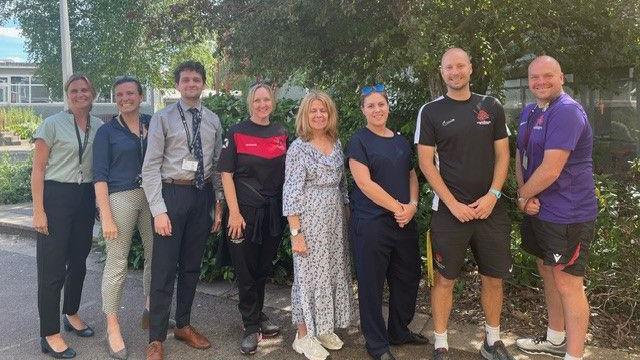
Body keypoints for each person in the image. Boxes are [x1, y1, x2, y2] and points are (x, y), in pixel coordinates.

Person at [415, 48, 513, 360]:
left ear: (470, 68)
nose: (455, 72)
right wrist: (452, 203)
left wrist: (493, 195)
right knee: (445, 279)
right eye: (448, 68)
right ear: (442, 72)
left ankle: (492, 342)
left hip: (490, 210)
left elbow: (503, 155)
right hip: (449, 213)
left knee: (493, 277)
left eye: (460, 66)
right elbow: (426, 164)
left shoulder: (491, 106)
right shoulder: (430, 112)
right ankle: (441, 343)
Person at [515, 56, 597, 360]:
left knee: (568, 282)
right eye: (534, 77)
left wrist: (522, 196)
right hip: (539, 211)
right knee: (547, 270)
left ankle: (573, 355)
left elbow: (551, 169)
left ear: (561, 77)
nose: (540, 82)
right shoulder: (529, 110)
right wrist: (525, 196)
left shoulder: (567, 111)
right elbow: (520, 157)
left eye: (547, 76)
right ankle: (555, 338)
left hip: (568, 214)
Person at [141, 61, 224, 360]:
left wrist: (218, 204)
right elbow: (150, 167)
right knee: (164, 269)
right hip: (171, 194)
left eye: (196, 79)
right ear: (177, 85)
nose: (191, 84)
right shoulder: (163, 119)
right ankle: (156, 338)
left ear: (203, 84)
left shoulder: (213, 120)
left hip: (201, 196)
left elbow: (216, 167)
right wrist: (158, 210)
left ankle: (184, 325)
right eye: (186, 80)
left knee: (191, 267)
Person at [346, 83, 427, 360]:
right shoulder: (359, 140)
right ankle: (377, 344)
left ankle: (398, 331)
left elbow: (412, 175)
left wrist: (412, 207)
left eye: (381, 104)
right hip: (371, 224)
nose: (377, 110)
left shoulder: (400, 140)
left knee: (407, 277)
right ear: (363, 111)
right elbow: (364, 183)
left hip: (404, 222)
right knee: (372, 284)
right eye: (370, 106)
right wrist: (398, 207)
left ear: (388, 107)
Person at [31, 74, 102, 359]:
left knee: (79, 263)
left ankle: (71, 313)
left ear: (93, 93)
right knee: (52, 269)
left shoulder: (98, 126)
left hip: (84, 197)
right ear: (67, 94)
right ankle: (49, 333)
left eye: (85, 89)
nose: (79, 94)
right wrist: (39, 210)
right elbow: (37, 170)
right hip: (56, 197)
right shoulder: (51, 124)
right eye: (74, 90)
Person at [283, 90, 354, 360]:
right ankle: (303, 336)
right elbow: (290, 192)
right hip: (308, 221)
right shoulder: (298, 148)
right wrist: (296, 232)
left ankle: (322, 327)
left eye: (323, 110)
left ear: (330, 114)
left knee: (332, 271)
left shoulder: (336, 143)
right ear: (305, 114)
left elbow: (343, 184)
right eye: (313, 110)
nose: (318, 115)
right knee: (307, 277)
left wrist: (345, 213)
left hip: (334, 219)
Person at [218, 83, 287, 355]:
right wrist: (233, 213)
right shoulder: (236, 132)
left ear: (272, 102)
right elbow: (226, 174)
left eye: (266, 100)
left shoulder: (282, 132)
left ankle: (257, 315)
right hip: (244, 213)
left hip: (272, 212)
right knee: (245, 271)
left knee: (261, 268)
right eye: (257, 100)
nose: (262, 104)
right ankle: (250, 326)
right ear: (250, 103)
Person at [93, 76, 154, 359]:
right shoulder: (107, 132)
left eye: (130, 93)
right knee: (117, 262)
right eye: (119, 94)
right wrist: (105, 215)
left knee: (156, 257)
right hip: (120, 198)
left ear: (140, 96)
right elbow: (99, 176)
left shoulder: (151, 123)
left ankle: (151, 308)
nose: (125, 98)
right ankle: (112, 324)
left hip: (152, 196)